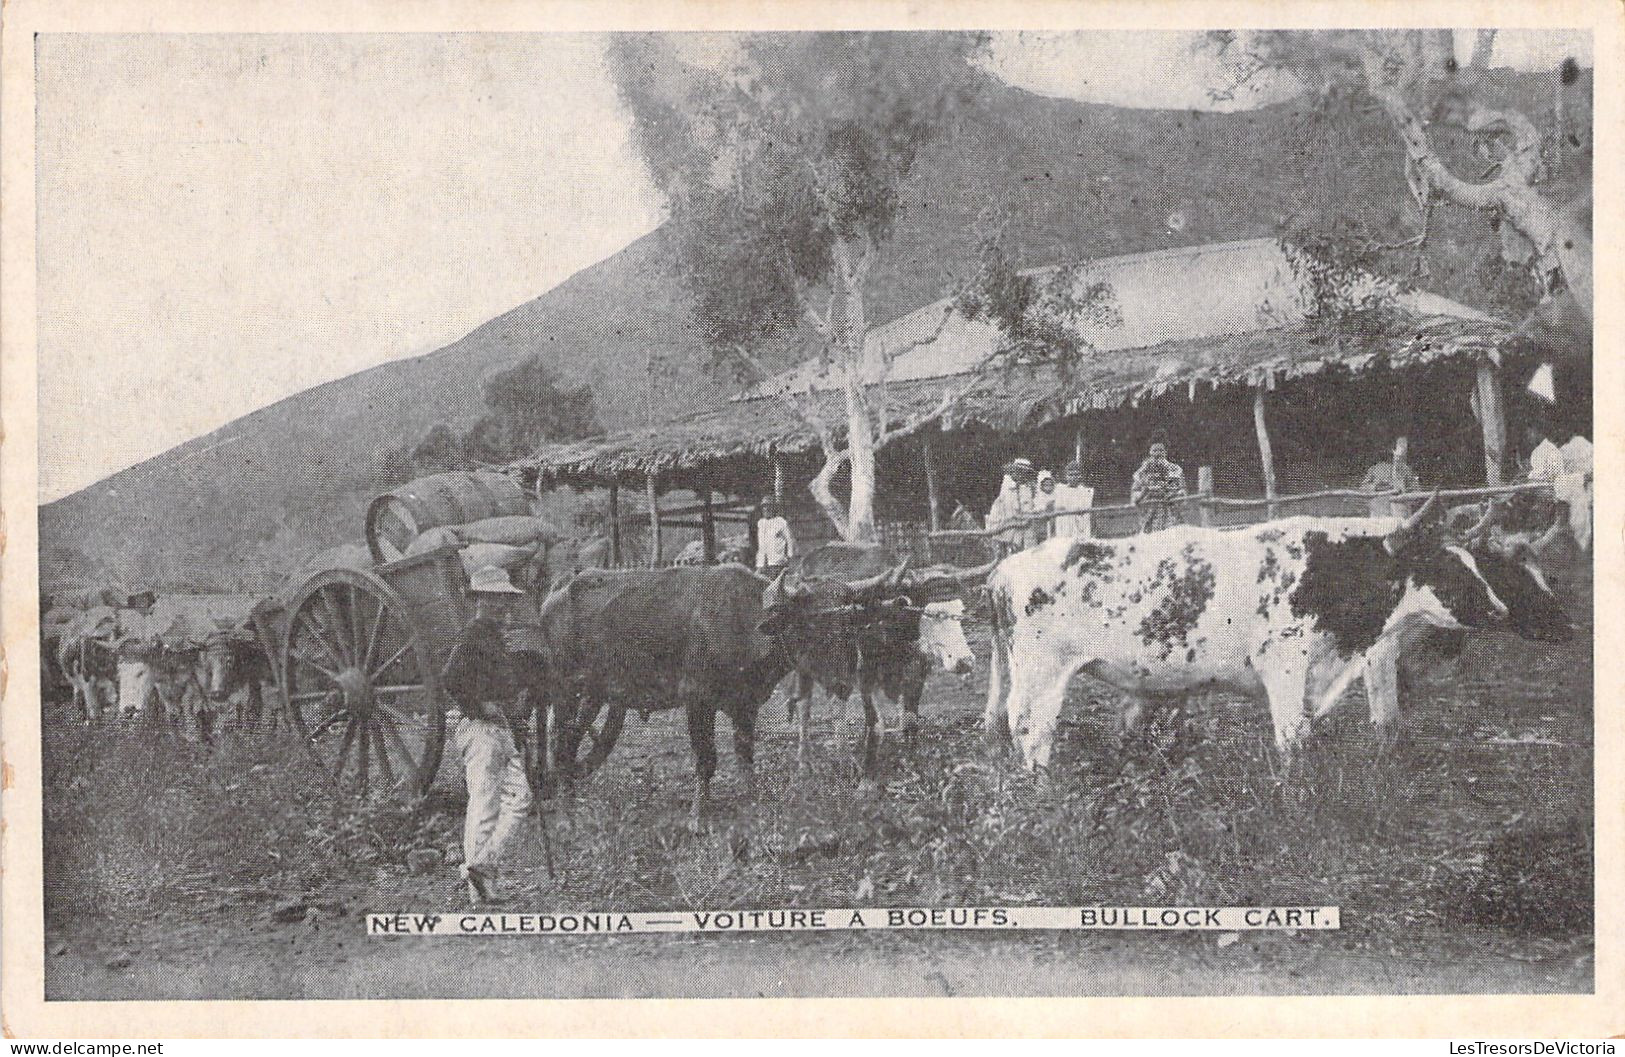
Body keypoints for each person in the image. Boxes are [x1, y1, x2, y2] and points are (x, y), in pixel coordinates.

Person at [441, 565, 541, 907]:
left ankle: (481, 869)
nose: (503, 605)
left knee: (520, 798)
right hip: (481, 730)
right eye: (496, 598)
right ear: (480, 600)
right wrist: (481, 708)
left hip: (501, 729)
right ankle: (479, 888)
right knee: (484, 805)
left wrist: (514, 717)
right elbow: (451, 679)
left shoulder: (495, 636)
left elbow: (502, 686)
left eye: (505, 598)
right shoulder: (473, 634)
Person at [1130, 436, 1187, 533]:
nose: (1157, 453)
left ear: (1165, 452)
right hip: (1149, 512)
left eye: (1161, 450)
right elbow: (1135, 495)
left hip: (1169, 512)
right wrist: (1143, 493)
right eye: (1154, 450)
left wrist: (1174, 494)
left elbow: (1181, 491)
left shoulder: (1174, 470)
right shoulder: (1142, 472)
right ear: (1149, 452)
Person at [987, 458, 1039, 555]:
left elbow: (1037, 505)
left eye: (1024, 473)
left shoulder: (1031, 489)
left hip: (1027, 530)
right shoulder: (1006, 489)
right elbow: (998, 511)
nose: (1021, 475)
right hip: (1010, 531)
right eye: (1018, 472)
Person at [1361, 441, 1422, 518]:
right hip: (1379, 515)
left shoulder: (1406, 470)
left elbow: (1417, 493)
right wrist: (1375, 487)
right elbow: (1363, 488)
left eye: (1398, 453)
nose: (1394, 455)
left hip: (1400, 515)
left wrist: (1402, 493)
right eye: (1392, 451)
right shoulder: (1375, 469)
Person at [1050, 461, 1096, 538]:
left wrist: (1094, 531)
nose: (1073, 477)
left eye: (1076, 474)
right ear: (1066, 476)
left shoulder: (1087, 492)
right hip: (1064, 526)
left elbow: (1092, 513)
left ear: (1081, 476)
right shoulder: (1060, 490)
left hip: (1081, 525)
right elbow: (1054, 511)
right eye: (1071, 475)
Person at [755, 495, 796, 572]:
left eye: (769, 506)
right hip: (762, 563)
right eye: (764, 507)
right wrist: (760, 563)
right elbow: (761, 544)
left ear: (773, 508)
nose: (766, 509)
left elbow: (789, 540)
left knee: (775, 582)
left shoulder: (781, 522)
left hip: (777, 562)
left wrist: (789, 557)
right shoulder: (761, 523)